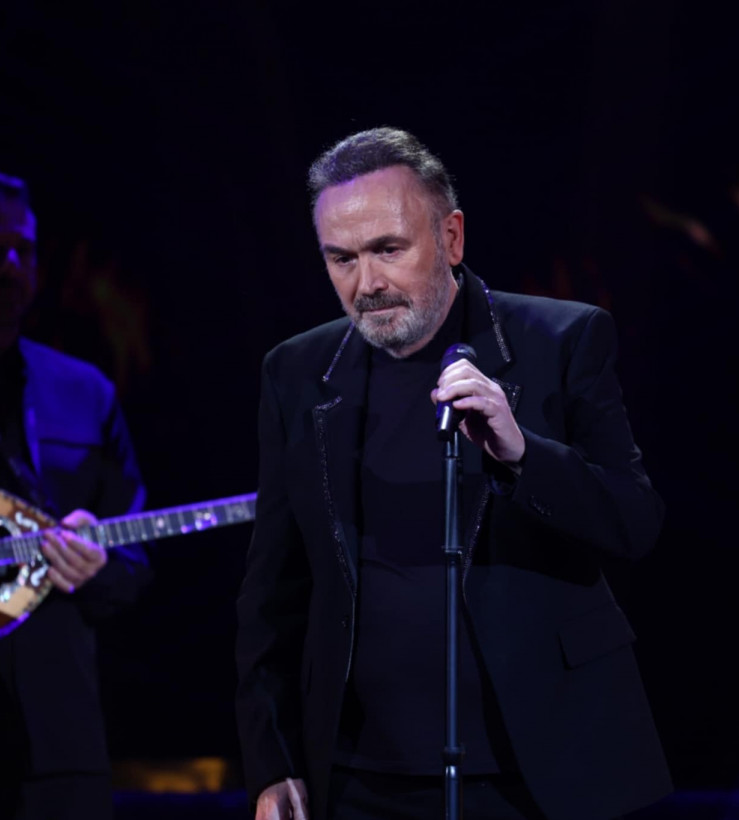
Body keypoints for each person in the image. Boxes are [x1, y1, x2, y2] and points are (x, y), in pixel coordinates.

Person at [236, 128, 672, 820]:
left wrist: (522, 454)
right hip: (357, 779)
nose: (366, 284)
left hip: (537, 773)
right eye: (341, 258)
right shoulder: (296, 372)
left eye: (388, 249)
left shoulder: (561, 341)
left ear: (451, 237)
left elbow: (634, 522)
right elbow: (273, 590)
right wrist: (272, 761)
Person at [0, 172, 151, 819]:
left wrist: (99, 566)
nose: (10, 265)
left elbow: (134, 559)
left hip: (60, 742)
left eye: (24, 249)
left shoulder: (84, 391)